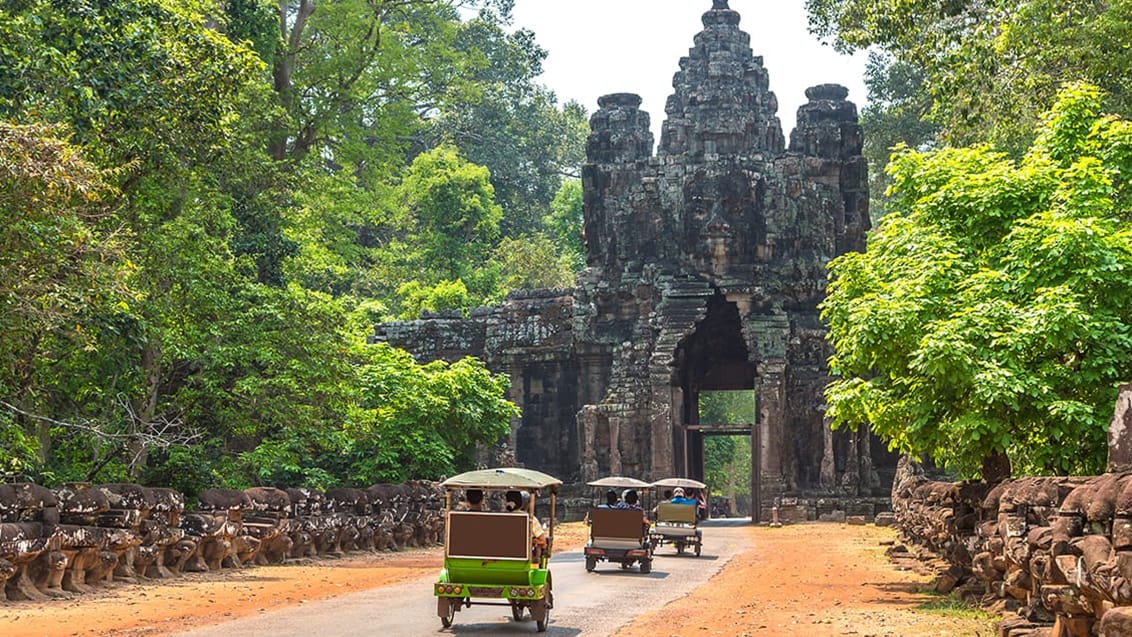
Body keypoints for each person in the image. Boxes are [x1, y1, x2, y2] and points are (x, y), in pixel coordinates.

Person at [505, 490, 548, 562]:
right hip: (524, 558)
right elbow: (542, 541)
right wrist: (530, 541)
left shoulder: (501, 518)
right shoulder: (531, 519)